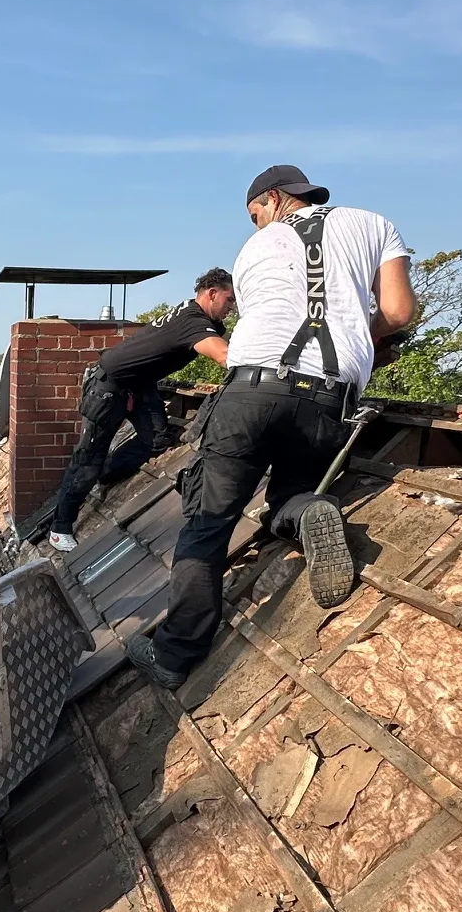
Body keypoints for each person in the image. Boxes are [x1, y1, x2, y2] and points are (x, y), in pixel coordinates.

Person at [126, 164, 417, 690]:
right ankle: (309, 510)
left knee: (208, 521)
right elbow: (398, 312)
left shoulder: (253, 250)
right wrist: (359, 336)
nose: (257, 223)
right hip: (330, 396)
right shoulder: (376, 224)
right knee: (291, 491)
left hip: (252, 389)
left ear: (275, 198)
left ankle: (175, 655)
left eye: (256, 212)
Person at [45, 268, 235, 553]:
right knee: (87, 458)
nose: (232, 307)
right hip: (110, 383)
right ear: (212, 293)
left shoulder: (196, 315)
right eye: (229, 299)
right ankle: (60, 528)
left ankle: (107, 473)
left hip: (139, 384)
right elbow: (224, 355)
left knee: (157, 438)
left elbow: (225, 337)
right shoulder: (193, 321)